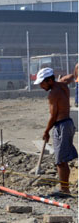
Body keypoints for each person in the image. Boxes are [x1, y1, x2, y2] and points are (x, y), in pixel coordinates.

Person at [34, 67, 77, 196]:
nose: (41, 86)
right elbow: (69, 77)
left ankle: (64, 190)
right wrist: (74, 73)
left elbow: (53, 116)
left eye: (42, 83)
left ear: (50, 80)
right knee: (62, 159)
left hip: (61, 126)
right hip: (68, 123)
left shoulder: (53, 94)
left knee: (60, 161)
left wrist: (46, 131)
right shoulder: (62, 85)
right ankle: (65, 187)